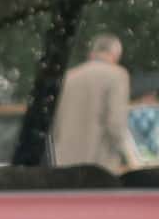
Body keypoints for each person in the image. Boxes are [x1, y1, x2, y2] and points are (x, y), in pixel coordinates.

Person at [46, 33, 139, 173]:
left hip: (63, 164)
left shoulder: (68, 77)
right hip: (98, 166)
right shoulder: (117, 76)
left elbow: (54, 124)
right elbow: (115, 125)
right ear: (116, 54)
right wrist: (132, 158)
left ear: (93, 52)